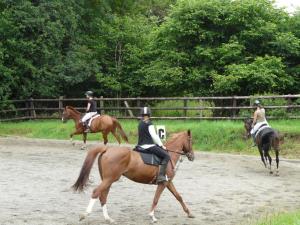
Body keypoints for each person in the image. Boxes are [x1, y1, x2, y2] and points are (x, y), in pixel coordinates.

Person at [137, 106, 170, 184]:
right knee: (166, 156)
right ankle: (161, 176)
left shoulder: (140, 123)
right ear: (149, 114)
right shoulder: (149, 123)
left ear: (142, 114)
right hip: (149, 146)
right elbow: (154, 135)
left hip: (140, 146)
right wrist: (161, 145)